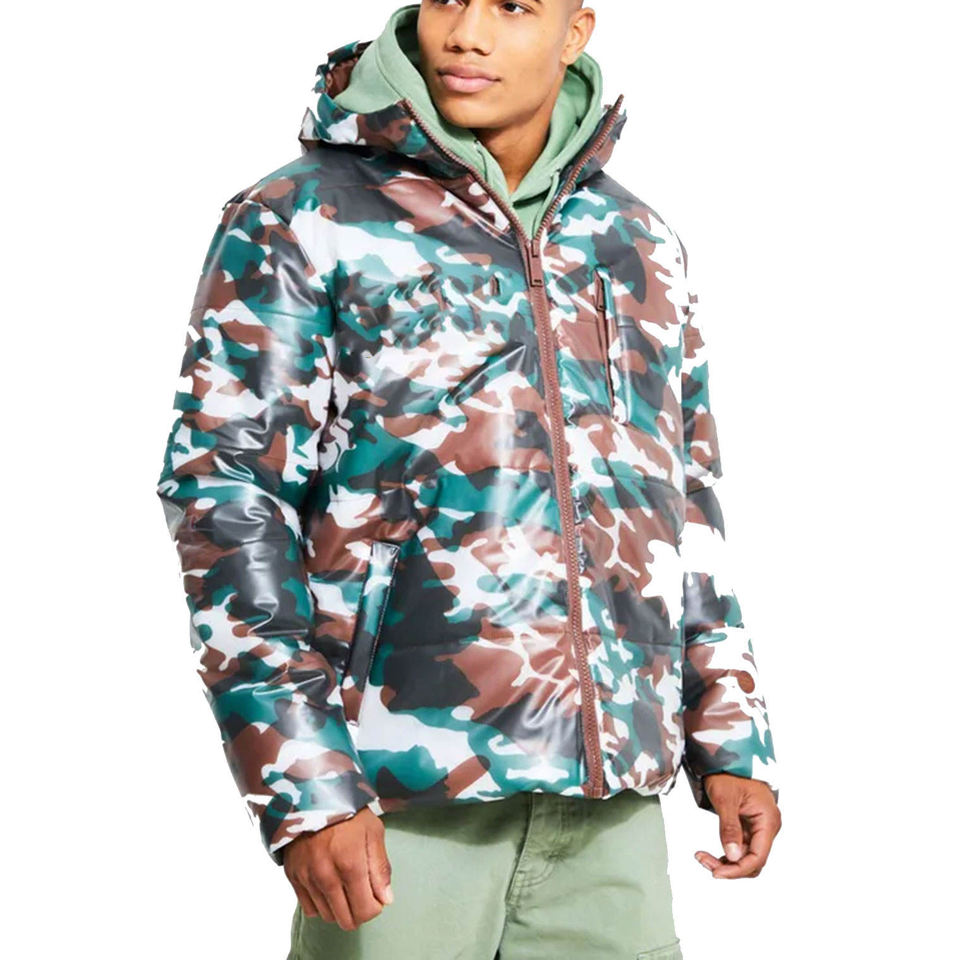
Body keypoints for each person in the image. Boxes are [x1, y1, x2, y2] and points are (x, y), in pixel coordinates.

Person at [155, 2, 781, 957]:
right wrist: (304, 784)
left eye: (514, 6)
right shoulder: (300, 218)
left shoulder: (635, 240)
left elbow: (685, 504)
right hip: (398, 798)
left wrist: (729, 733)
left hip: (610, 806)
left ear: (576, 30)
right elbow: (228, 500)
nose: (467, 33)